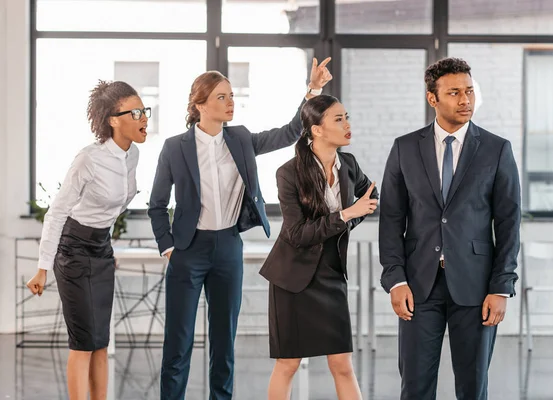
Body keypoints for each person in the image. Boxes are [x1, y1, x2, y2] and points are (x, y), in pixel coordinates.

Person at [148, 58, 333, 400]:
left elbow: (291, 131)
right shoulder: (175, 147)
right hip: (188, 250)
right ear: (199, 104)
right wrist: (168, 246)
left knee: (223, 341)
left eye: (232, 95)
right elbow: (157, 204)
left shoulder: (242, 139)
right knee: (178, 341)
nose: (231, 101)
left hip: (228, 248)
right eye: (221, 96)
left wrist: (314, 90)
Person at [378, 57, 521, 400]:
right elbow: (392, 219)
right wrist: (395, 279)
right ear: (433, 99)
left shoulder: (496, 149)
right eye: (454, 92)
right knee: (414, 386)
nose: (465, 99)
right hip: (418, 286)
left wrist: (502, 286)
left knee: (472, 387)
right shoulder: (404, 148)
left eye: (469, 91)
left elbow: (508, 222)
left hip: (476, 286)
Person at [26, 80, 149, 400]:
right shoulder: (89, 159)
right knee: (83, 342)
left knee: (101, 341)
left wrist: (104, 245)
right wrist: (42, 268)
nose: (144, 118)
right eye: (135, 112)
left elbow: (114, 208)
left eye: (144, 110)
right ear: (112, 120)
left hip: (101, 250)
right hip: (73, 250)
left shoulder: (132, 155)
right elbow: (57, 213)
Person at [259, 94, 378, 400]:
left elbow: (370, 202)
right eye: (339, 119)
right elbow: (297, 233)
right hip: (292, 279)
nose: (348, 124)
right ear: (317, 130)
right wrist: (346, 214)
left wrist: (351, 216)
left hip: (331, 273)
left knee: (342, 363)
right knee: (288, 363)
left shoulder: (349, 165)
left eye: (347, 117)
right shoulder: (289, 172)